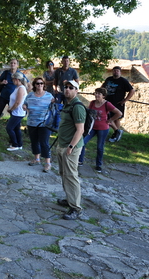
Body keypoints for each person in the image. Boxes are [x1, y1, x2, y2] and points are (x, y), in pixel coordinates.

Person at [52, 80, 85, 220]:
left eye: (71, 88)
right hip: (63, 144)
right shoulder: (68, 104)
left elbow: (80, 130)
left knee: (71, 176)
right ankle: (70, 199)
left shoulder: (77, 106)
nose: (67, 89)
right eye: (65, 87)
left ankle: (76, 208)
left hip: (71, 147)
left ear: (76, 90)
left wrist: (71, 147)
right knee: (64, 174)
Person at [78, 88, 122, 172]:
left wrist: (111, 120)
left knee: (99, 147)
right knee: (82, 142)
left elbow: (119, 113)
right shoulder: (92, 103)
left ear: (103, 96)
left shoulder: (107, 104)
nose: (97, 95)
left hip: (103, 128)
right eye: (96, 93)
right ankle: (80, 160)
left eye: (99, 94)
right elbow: (89, 113)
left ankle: (98, 165)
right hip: (92, 127)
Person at [0, 59, 26, 138]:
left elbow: (27, 84)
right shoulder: (6, 73)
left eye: (14, 63)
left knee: (14, 116)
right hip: (3, 96)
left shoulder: (20, 74)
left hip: (13, 99)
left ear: (17, 65)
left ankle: (13, 136)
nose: (12, 64)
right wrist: (2, 82)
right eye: (11, 63)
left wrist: (24, 97)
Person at [23, 77, 55, 172]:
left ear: (44, 85)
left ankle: (47, 163)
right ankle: (37, 159)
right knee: (34, 141)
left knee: (44, 142)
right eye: (37, 83)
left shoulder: (49, 96)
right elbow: (24, 104)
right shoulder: (30, 95)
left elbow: (55, 107)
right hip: (32, 122)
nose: (39, 85)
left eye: (41, 83)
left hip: (45, 124)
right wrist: (24, 106)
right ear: (34, 85)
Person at [102, 66, 135, 143]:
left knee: (116, 118)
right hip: (107, 101)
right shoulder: (109, 79)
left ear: (120, 72)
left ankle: (116, 133)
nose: (116, 72)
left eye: (117, 71)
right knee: (106, 116)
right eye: (114, 71)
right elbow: (103, 87)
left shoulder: (123, 81)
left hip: (118, 103)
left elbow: (132, 91)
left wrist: (125, 100)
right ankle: (117, 132)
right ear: (112, 71)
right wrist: (100, 93)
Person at [5, 72, 27, 151]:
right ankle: (19, 144)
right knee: (16, 128)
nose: (12, 81)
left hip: (17, 112)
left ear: (17, 79)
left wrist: (11, 109)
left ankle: (15, 144)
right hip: (15, 112)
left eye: (13, 79)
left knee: (9, 128)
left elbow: (18, 102)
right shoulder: (17, 88)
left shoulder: (21, 88)